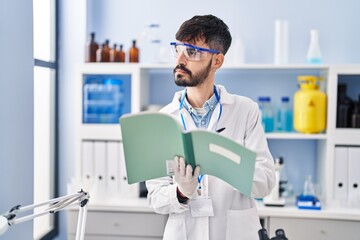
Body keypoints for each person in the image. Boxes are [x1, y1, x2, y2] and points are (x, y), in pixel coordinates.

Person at [146, 14, 275, 240]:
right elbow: (156, 198)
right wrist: (181, 191)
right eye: (178, 50)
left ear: (217, 61)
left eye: (192, 52)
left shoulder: (245, 111)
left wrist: (224, 162)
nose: (181, 60)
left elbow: (264, 183)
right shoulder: (164, 119)